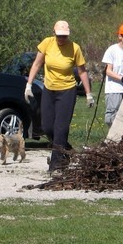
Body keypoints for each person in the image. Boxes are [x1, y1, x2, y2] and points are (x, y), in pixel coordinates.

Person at [25, 20, 95, 172]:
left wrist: (88, 93)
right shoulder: (47, 43)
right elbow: (37, 64)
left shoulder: (74, 48)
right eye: (59, 36)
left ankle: (56, 164)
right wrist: (29, 84)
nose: (62, 39)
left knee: (61, 128)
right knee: (47, 126)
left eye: (64, 36)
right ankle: (66, 151)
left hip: (67, 91)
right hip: (49, 89)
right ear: (54, 33)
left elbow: (82, 71)